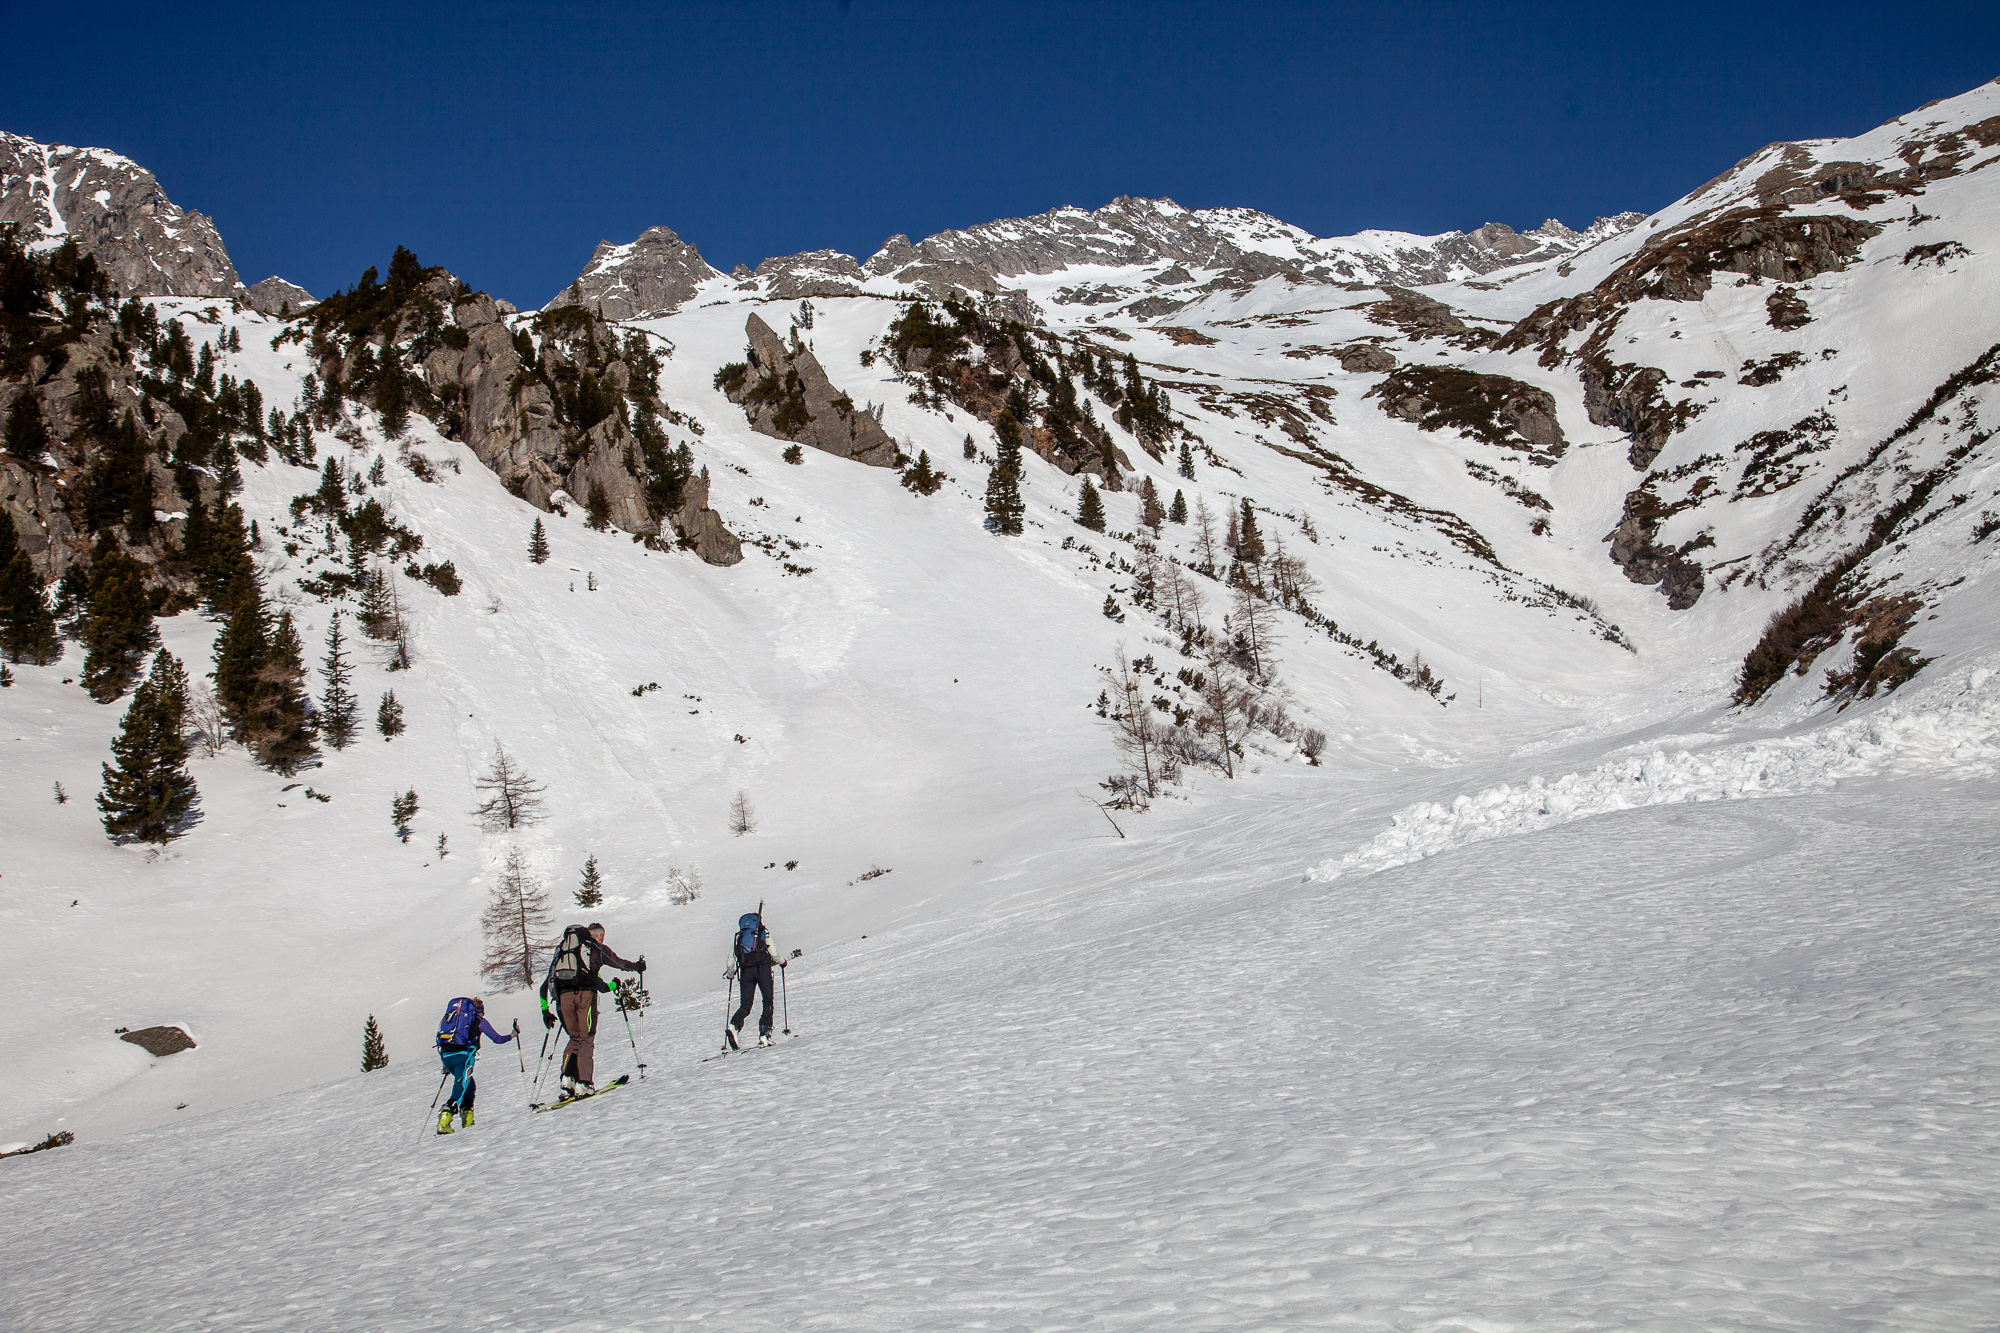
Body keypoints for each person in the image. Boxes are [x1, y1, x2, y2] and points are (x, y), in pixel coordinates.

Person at [540, 921, 645, 1101]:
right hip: (585, 997)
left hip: (563, 999)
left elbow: (545, 985)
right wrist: (637, 967)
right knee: (587, 1036)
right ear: (601, 936)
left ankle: (567, 1082)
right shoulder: (595, 947)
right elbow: (617, 963)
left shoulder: (563, 951)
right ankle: (584, 1083)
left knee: (575, 1038)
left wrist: (545, 1011)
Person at [435, 996, 515, 1134]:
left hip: (447, 1058)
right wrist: (513, 1034)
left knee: (469, 1086)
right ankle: (445, 1120)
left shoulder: (453, 1020)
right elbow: (497, 1039)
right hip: (464, 1057)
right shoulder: (478, 1021)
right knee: (460, 1088)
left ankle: (468, 1120)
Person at [725, 909, 795, 1049]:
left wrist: (730, 973)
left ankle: (734, 1026)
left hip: (745, 972)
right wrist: (782, 962)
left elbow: (731, 957)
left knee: (746, 1005)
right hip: (763, 970)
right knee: (767, 1001)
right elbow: (773, 952)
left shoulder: (740, 936)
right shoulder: (763, 932)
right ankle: (765, 1034)